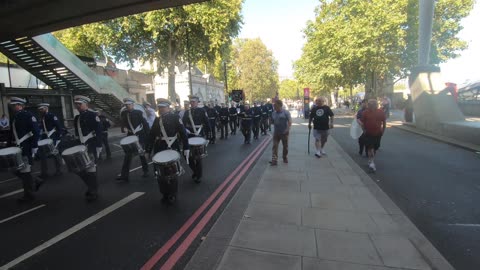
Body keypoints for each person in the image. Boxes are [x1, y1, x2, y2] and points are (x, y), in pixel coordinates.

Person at [146, 98, 189, 203]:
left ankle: (173, 194)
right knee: (159, 173)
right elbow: (151, 135)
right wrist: (148, 150)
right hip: (159, 148)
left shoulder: (175, 117)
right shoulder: (157, 120)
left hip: (172, 146)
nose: (160, 109)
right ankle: (164, 193)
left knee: (172, 173)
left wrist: (186, 148)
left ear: (168, 108)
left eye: (163, 107)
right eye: (159, 107)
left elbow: (183, 133)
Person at [8, 97, 41, 202]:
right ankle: (36, 181)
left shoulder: (28, 115)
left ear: (20, 105)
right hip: (18, 148)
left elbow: (35, 131)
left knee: (25, 171)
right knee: (17, 170)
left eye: (14, 105)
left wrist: (35, 146)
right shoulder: (15, 116)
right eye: (12, 105)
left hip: (26, 147)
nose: (13, 107)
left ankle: (29, 195)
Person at [73, 95, 102, 201]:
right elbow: (77, 134)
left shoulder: (92, 115)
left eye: (80, 104)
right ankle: (91, 187)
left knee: (91, 168)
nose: (77, 106)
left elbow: (99, 132)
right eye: (76, 104)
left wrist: (99, 146)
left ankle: (93, 191)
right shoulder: (77, 118)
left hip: (91, 145)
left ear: (86, 104)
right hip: (81, 146)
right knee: (79, 169)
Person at [117, 97, 150, 182]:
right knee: (127, 155)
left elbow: (145, 125)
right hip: (130, 135)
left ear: (133, 104)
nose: (127, 106)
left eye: (129, 104)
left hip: (140, 135)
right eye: (126, 105)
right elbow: (123, 123)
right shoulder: (124, 113)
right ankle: (124, 176)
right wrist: (123, 128)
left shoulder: (139, 112)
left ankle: (145, 171)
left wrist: (148, 137)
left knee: (141, 154)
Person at [182, 95, 211, 183]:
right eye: (191, 102)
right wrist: (184, 130)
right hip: (190, 135)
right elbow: (182, 123)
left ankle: (199, 175)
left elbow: (206, 122)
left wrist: (209, 134)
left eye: (193, 101)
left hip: (199, 134)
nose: (192, 103)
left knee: (198, 157)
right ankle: (195, 171)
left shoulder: (202, 111)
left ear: (197, 102)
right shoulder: (187, 112)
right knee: (187, 156)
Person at [359, 99, 386, 172]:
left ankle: (371, 160)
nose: (371, 105)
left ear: (376, 105)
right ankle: (372, 162)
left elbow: (384, 122)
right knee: (370, 147)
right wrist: (364, 130)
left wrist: (383, 130)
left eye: (373, 104)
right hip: (368, 133)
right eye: (370, 104)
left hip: (378, 133)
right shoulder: (365, 112)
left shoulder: (381, 112)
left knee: (375, 148)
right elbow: (362, 123)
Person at [37, 103, 63, 179]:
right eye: (39, 109)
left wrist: (58, 138)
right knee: (43, 155)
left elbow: (58, 127)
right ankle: (44, 172)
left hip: (52, 137)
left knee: (55, 153)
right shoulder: (41, 117)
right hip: (44, 137)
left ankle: (59, 170)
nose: (40, 110)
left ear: (46, 108)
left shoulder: (52, 116)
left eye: (42, 109)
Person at [269, 100, 292, 166]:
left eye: (275, 106)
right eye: (274, 106)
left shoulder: (286, 112)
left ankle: (284, 157)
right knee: (275, 146)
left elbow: (290, 121)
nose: (274, 107)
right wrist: (270, 122)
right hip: (276, 132)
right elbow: (272, 121)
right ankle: (274, 160)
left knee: (285, 146)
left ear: (280, 105)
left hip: (284, 132)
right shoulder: (273, 113)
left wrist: (287, 129)